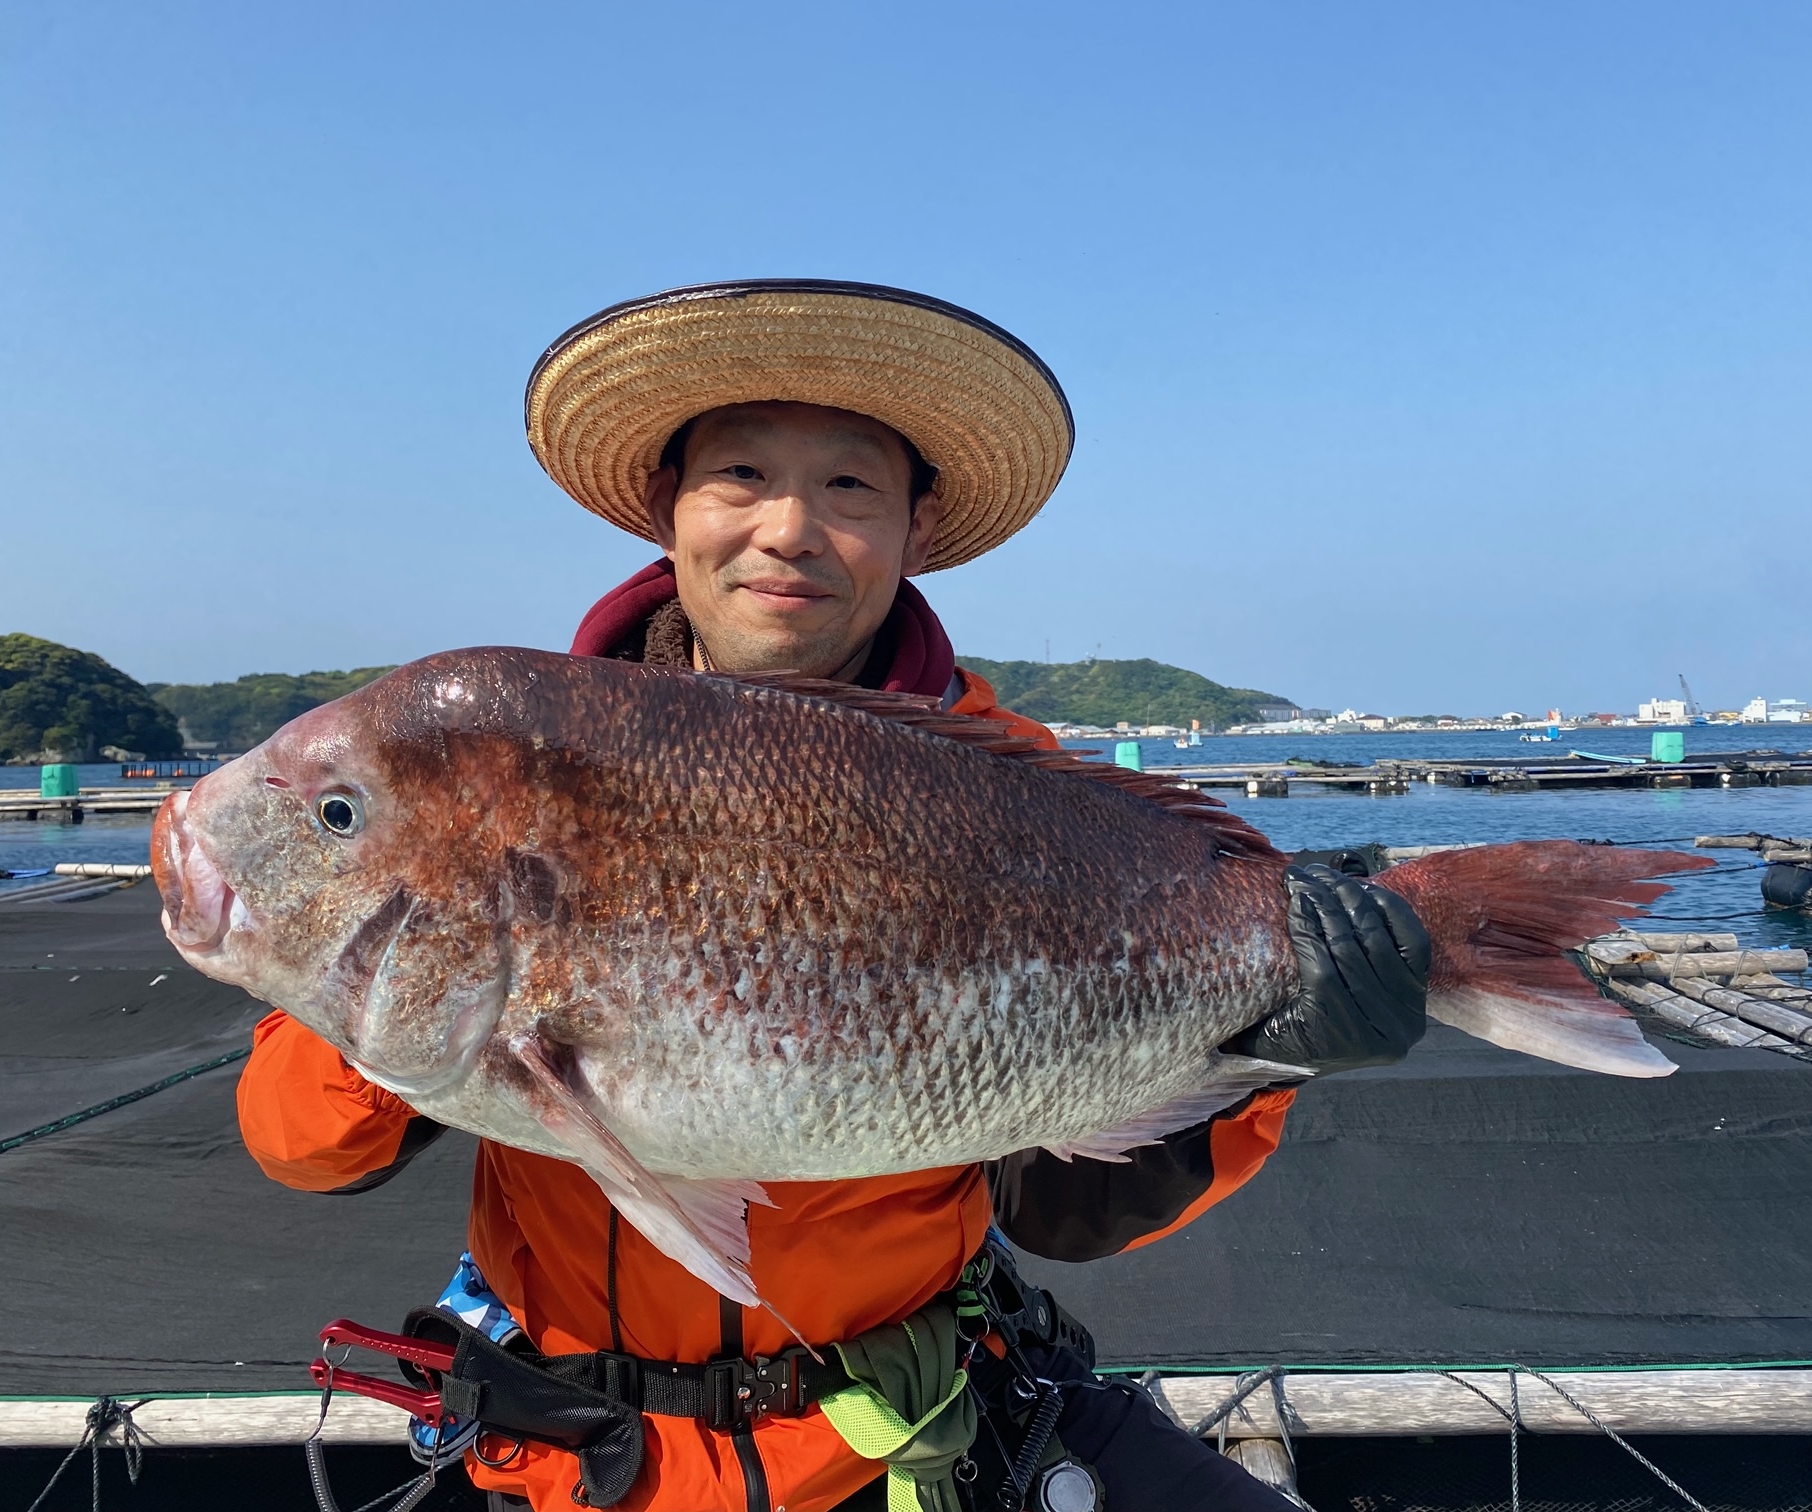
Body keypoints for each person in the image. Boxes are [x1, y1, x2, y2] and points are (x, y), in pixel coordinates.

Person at [237, 281, 1429, 1512]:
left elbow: (1068, 1209)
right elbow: (306, 1147)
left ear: (918, 523)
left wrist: (1277, 1044)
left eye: (850, 487)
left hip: (901, 1443)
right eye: (741, 475)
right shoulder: (498, 778)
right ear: (670, 510)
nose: (788, 529)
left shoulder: (1021, 792)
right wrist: (405, 973)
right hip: (570, 1465)